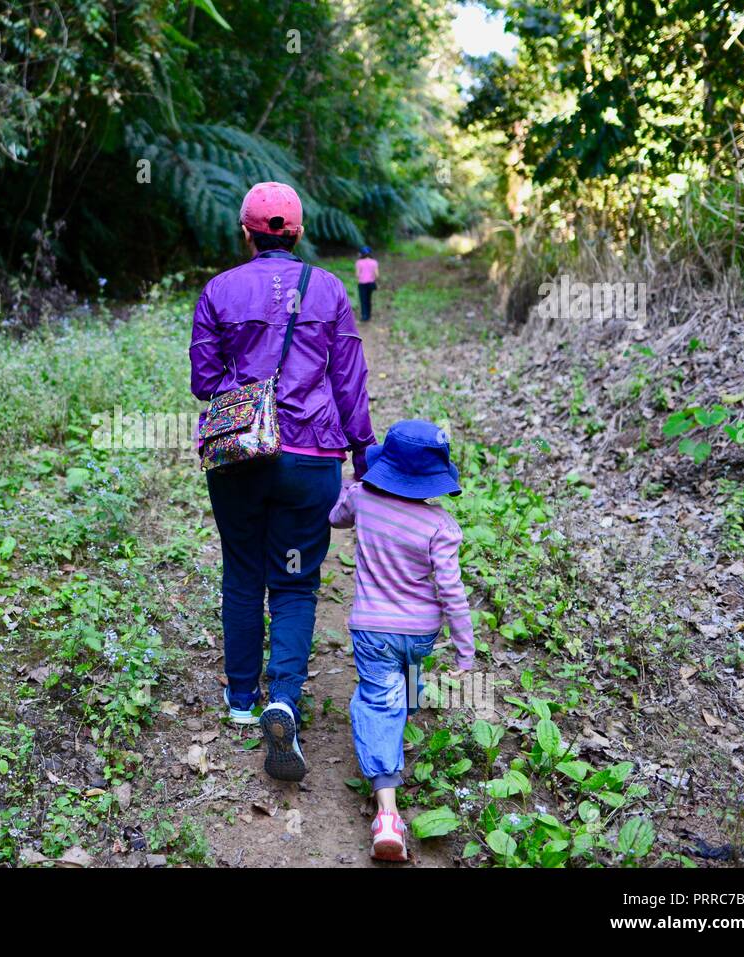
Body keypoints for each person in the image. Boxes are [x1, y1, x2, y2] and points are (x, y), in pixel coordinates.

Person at [190, 181, 375, 783]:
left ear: (246, 233)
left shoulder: (219, 290)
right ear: (295, 233)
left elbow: (204, 380)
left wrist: (247, 389)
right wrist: (362, 450)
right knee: (294, 582)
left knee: (241, 569)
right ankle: (284, 699)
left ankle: (241, 699)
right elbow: (347, 376)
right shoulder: (327, 289)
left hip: (241, 457)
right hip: (311, 456)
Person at [328, 420, 476, 860]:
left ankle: (387, 814)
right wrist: (465, 651)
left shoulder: (363, 499)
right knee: (408, 678)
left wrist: (355, 483)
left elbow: (335, 517)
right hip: (421, 632)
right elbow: (452, 591)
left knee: (375, 701)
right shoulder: (441, 526)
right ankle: (401, 716)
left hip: (373, 629)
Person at [355, 247, 378, 323]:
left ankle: (364, 316)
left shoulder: (359, 262)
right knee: (369, 299)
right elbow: (377, 275)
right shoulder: (374, 262)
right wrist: (372, 277)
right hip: (371, 283)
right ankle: (369, 315)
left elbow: (357, 274)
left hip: (362, 284)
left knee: (363, 300)